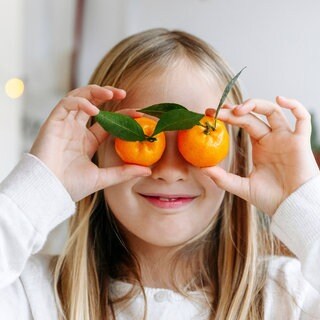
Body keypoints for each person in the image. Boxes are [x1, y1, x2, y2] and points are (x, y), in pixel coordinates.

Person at [0, 28, 320, 320]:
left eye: (197, 141)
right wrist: (42, 186)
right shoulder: (32, 295)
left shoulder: (290, 298)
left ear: (236, 159)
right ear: (95, 154)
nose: (168, 172)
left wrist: (302, 203)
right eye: (139, 136)